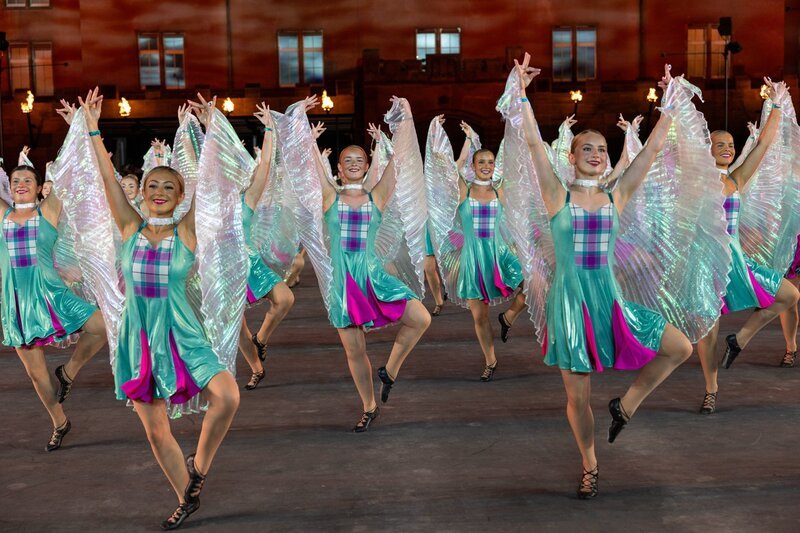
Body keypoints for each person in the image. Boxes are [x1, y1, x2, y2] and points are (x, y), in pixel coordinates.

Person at [81, 88, 243, 529]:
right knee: (155, 430)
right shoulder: (130, 226)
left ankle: (200, 465)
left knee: (228, 396)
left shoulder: (187, 231)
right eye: (152, 184)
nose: (158, 191)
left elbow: (214, 181)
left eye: (168, 187)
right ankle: (184, 497)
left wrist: (212, 132)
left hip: (185, 333)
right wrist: (94, 127)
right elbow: (108, 179)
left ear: (180, 196)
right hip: (139, 338)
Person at [280, 95, 430, 431]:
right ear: (338, 167)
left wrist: (405, 120)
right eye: (346, 159)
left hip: (373, 275)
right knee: (353, 349)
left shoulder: (377, 195)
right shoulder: (329, 197)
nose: (352, 162)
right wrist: (301, 123)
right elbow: (307, 166)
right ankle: (368, 406)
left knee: (420, 318)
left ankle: (389, 370)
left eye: (358, 159)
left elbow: (400, 161)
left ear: (366, 166)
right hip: (343, 281)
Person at [695, 78, 800, 414]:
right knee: (707, 332)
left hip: (736, 261)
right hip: (707, 264)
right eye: (719, 144)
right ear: (706, 150)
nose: (727, 148)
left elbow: (764, 145)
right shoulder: (695, 182)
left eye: (729, 144)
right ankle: (711, 389)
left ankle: (739, 339)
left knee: (789, 295)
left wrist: (778, 105)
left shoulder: (736, 178)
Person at [0, 156, 107, 451]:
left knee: (102, 326)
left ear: (39, 188)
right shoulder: (2, 215)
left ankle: (69, 372)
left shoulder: (48, 212)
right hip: (18, 304)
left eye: (27, 181)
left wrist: (83, 128)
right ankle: (60, 422)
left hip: (52, 295)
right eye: (15, 181)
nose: (21, 185)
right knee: (36, 374)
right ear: (9, 187)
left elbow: (72, 175)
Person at [424, 115, 526, 380]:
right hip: (473, 259)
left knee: (533, 285)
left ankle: (509, 317)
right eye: (481, 162)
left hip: (499, 254)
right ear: (473, 165)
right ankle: (490, 360)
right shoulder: (463, 189)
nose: (486, 166)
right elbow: (445, 166)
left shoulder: (500, 189)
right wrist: (463, 138)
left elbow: (519, 162)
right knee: (479, 317)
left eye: (490, 162)